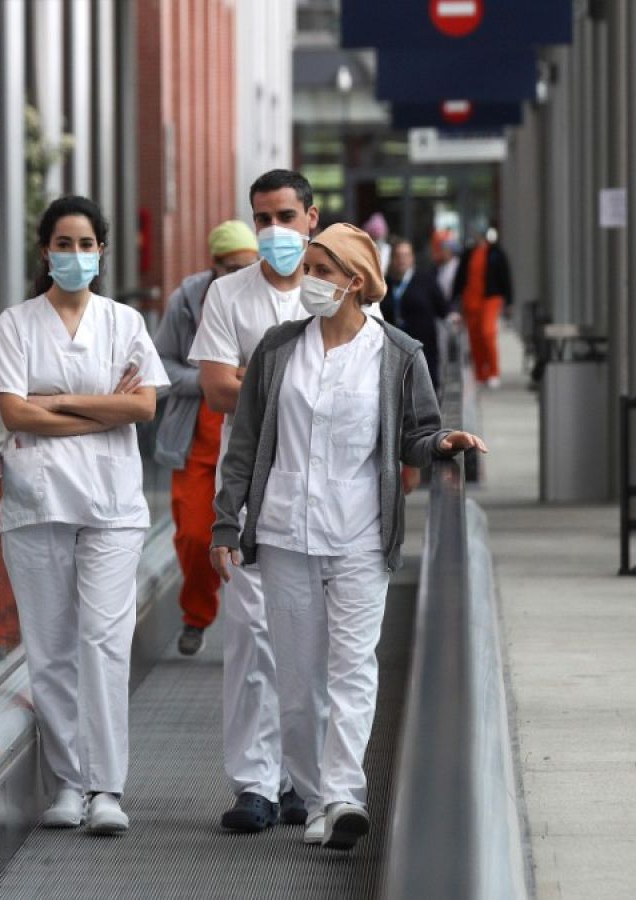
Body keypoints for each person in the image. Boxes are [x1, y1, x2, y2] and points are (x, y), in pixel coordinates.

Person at [210, 223, 488, 851]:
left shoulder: (398, 353)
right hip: (283, 534)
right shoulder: (279, 349)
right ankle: (312, 797)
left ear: (354, 282)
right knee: (299, 681)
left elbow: (416, 432)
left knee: (353, 669)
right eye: (308, 268)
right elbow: (246, 444)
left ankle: (342, 796)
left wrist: (443, 442)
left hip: (361, 534)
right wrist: (227, 519)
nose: (307, 281)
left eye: (320, 270)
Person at [0, 195, 168, 835]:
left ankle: (106, 788)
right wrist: (98, 408)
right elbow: (13, 412)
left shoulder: (124, 322)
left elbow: (142, 408)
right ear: (44, 251)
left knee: (104, 643)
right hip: (37, 503)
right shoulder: (16, 323)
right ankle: (67, 783)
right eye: (64, 244)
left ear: (102, 252)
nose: (76, 255)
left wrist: (55, 403)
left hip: (113, 503)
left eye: (87, 245)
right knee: (51, 647)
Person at [188, 169, 320, 833]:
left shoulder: (337, 288)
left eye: (285, 217)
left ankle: (304, 781)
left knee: (313, 639)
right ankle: (255, 784)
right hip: (246, 492)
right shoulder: (227, 296)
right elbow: (215, 389)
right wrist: (303, 385)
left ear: (311, 219)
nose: (274, 232)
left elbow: (366, 377)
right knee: (251, 636)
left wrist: (258, 380)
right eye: (262, 219)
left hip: (324, 491)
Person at [152, 220, 259, 657]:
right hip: (198, 439)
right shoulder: (187, 301)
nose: (238, 275)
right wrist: (211, 380)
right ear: (212, 265)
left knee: (258, 547)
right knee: (195, 538)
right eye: (230, 268)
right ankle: (197, 613)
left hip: (253, 441)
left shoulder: (272, 293)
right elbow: (160, 366)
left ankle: (251, 637)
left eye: (247, 266)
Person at [380, 238, 452, 390]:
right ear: (392, 259)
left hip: (423, 350)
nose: (401, 260)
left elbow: (443, 309)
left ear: (412, 258)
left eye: (406, 255)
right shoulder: (383, 284)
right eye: (398, 255)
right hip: (393, 351)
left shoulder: (426, 280)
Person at [453, 227, 514, 389]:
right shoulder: (469, 254)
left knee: (488, 333)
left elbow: (505, 277)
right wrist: (455, 298)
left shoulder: (496, 253)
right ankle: (480, 373)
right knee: (474, 337)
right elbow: (460, 277)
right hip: (471, 299)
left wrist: (509, 301)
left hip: (490, 298)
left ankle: (493, 372)